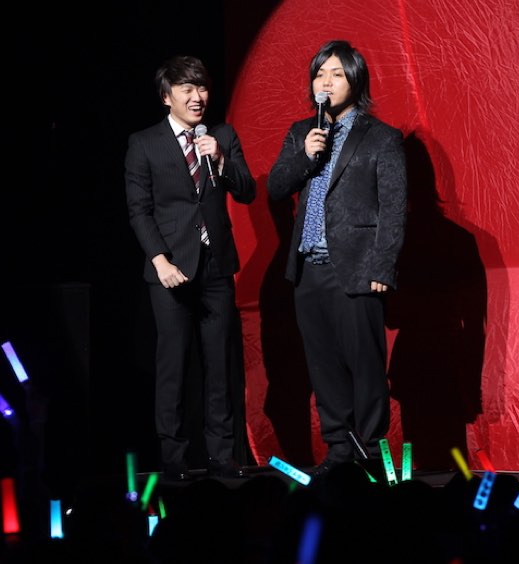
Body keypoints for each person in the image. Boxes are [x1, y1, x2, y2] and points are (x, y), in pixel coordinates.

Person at [267, 40, 407, 477]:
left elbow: (394, 207)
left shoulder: (381, 137)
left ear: (355, 80)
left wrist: (382, 266)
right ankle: (340, 452)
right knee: (323, 366)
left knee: (365, 368)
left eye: (337, 74)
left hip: (358, 267)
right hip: (309, 268)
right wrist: (305, 156)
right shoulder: (301, 133)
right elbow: (276, 188)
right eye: (319, 74)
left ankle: (372, 456)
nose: (325, 82)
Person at [125, 54, 256, 480]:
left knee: (219, 364)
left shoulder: (222, 135)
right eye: (187, 89)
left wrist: (221, 159)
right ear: (167, 97)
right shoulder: (144, 143)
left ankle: (222, 454)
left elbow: (248, 191)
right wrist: (159, 260)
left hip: (216, 266)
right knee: (174, 364)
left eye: (202, 88)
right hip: (170, 269)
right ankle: (174, 458)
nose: (197, 96)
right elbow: (139, 210)